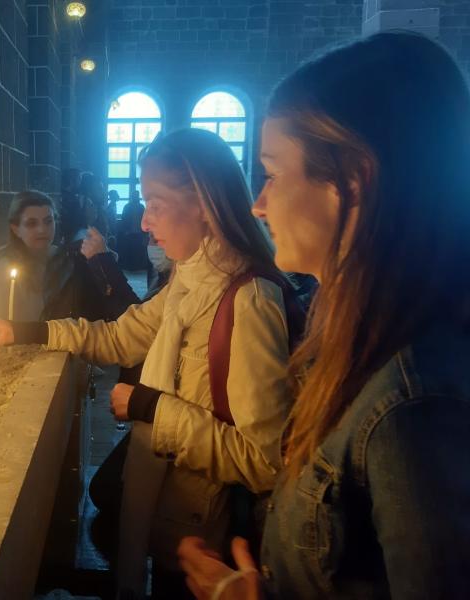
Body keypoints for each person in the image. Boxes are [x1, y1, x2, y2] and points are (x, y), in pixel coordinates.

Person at [179, 32, 470, 599]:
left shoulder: (413, 408)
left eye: (273, 172)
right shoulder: (350, 335)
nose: (259, 203)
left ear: (351, 180)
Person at [0, 129, 302, 599]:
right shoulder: (190, 279)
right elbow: (120, 335)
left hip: (210, 547)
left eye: (155, 203)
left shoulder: (248, 300)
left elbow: (262, 462)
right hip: (174, 522)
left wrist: (150, 407)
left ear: (203, 202)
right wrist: (24, 332)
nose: (143, 222)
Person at [0, 190, 138, 323]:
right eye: (31, 223)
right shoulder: (6, 270)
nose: (42, 230)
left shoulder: (65, 257)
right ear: (16, 229)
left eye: (48, 221)